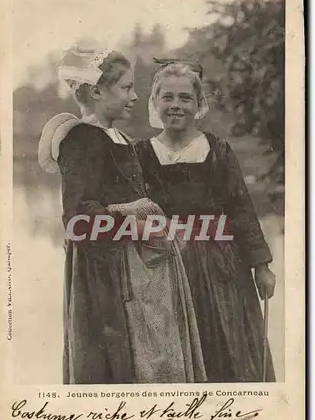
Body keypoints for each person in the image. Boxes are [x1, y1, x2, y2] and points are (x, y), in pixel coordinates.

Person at [38, 42, 206, 384]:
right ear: (98, 91)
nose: (134, 96)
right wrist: (141, 230)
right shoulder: (81, 139)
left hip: (142, 268)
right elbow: (77, 219)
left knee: (155, 358)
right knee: (119, 360)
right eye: (126, 87)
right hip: (108, 275)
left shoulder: (120, 137)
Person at [136, 60, 276, 382]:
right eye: (167, 97)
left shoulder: (217, 150)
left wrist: (262, 266)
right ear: (154, 103)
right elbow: (128, 211)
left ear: (199, 105)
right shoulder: (140, 154)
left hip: (221, 269)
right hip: (165, 267)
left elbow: (241, 210)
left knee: (227, 352)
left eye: (185, 98)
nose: (175, 105)